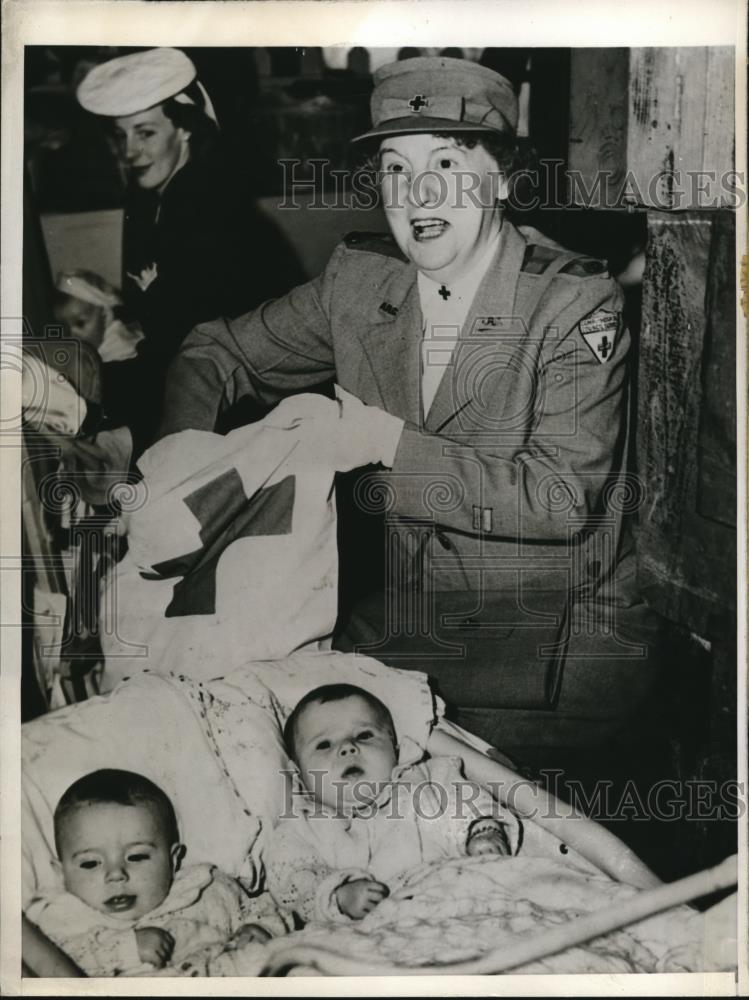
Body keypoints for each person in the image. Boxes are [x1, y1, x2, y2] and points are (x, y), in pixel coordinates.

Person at [157, 55, 657, 728]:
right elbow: (211, 350)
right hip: (412, 622)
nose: (417, 195)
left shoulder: (571, 301)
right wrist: (180, 473)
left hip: (549, 642)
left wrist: (382, 442)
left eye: (446, 166)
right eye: (396, 169)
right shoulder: (362, 282)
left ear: (502, 177)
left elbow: (560, 499)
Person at [75, 47, 303, 452]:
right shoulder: (151, 200)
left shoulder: (206, 209)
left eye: (145, 133)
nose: (129, 152)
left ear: (185, 129)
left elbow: (195, 356)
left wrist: (89, 389)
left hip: (251, 410)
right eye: (121, 135)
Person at [265, 684, 520, 924]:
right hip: (367, 939)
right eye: (324, 744)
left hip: (452, 906)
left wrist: (481, 830)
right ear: (297, 774)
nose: (348, 748)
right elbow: (293, 877)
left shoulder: (424, 783)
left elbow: (461, 802)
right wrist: (337, 895)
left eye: (364, 735)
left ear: (394, 748)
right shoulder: (300, 828)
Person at [25, 769, 288, 976]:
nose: (116, 874)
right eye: (91, 863)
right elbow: (54, 971)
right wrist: (127, 950)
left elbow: (265, 910)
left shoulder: (204, 890)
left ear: (173, 860)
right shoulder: (61, 922)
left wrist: (259, 928)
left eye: (136, 856)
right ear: (61, 874)